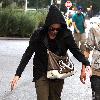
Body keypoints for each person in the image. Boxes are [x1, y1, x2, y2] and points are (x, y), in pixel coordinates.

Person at [11, 5, 91, 100]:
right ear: (47, 26)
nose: (55, 31)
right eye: (52, 29)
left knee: (55, 98)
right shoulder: (38, 35)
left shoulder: (66, 35)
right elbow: (28, 54)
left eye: (58, 29)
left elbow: (76, 51)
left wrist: (86, 64)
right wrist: (18, 74)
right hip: (41, 72)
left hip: (58, 73)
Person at [84, 23, 100, 100]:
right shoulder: (94, 29)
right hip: (97, 68)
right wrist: (83, 68)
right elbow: (87, 48)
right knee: (97, 95)